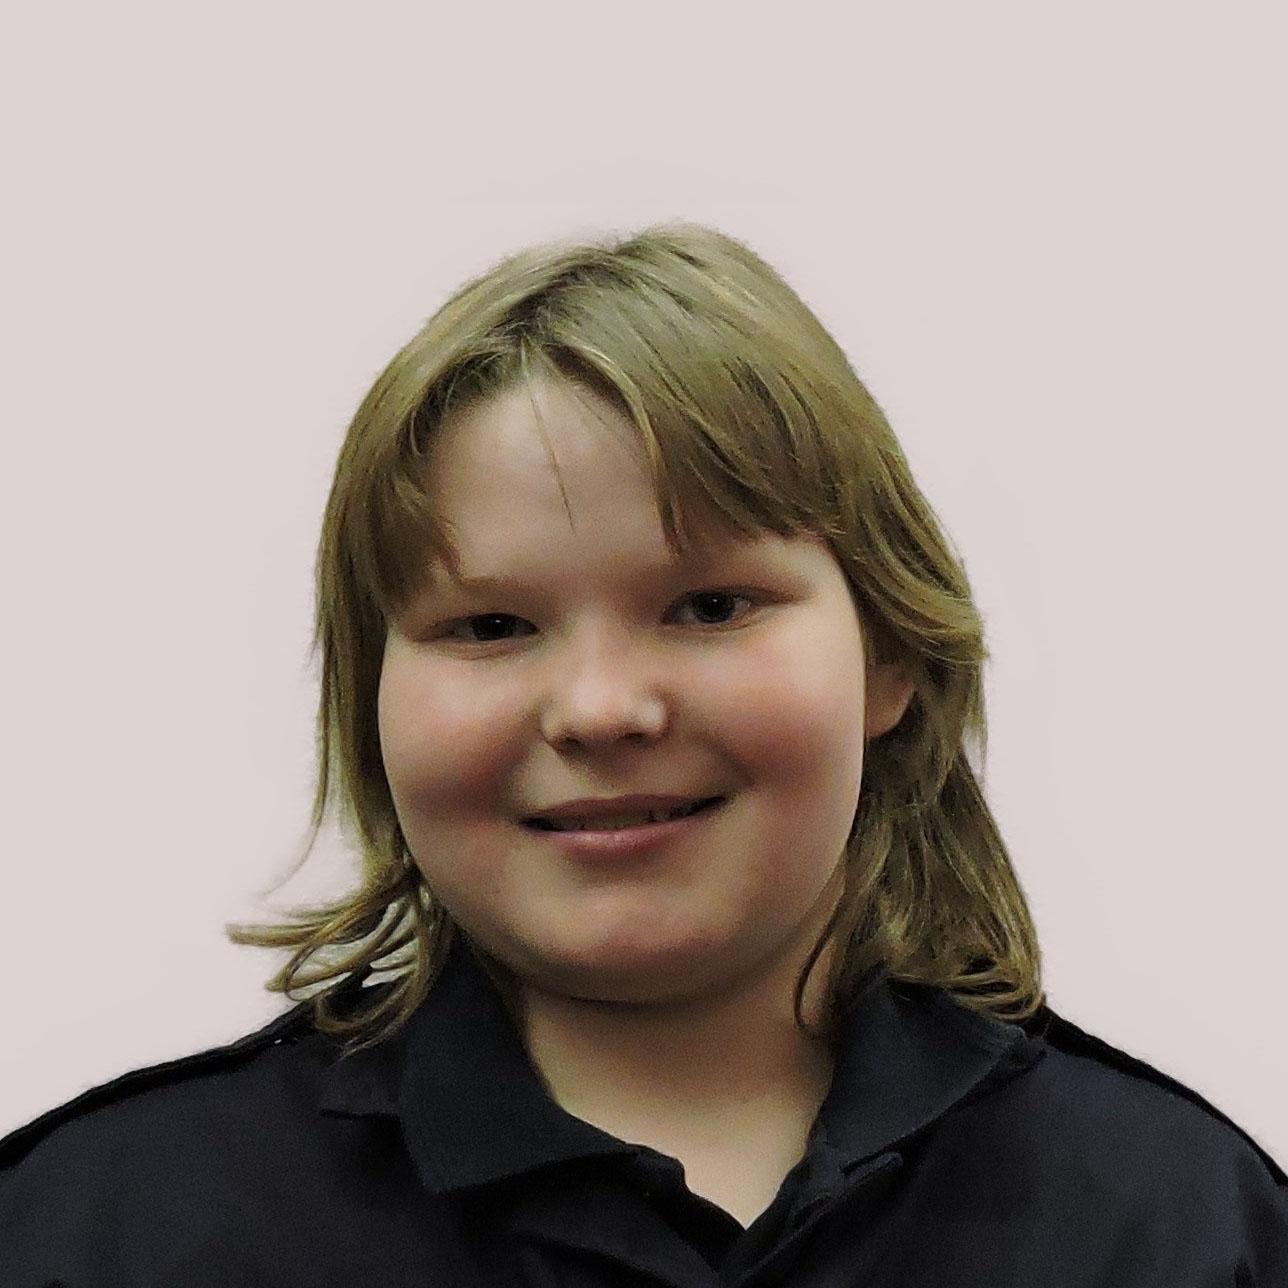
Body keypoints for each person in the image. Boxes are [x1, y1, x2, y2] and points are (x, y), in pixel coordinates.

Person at [1, 222, 1284, 1286]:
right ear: (370, 698)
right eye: (491, 626)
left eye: (710, 606)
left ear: (892, 653)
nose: (601, 709)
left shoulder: (1182, 1227)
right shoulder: (98, 1233)